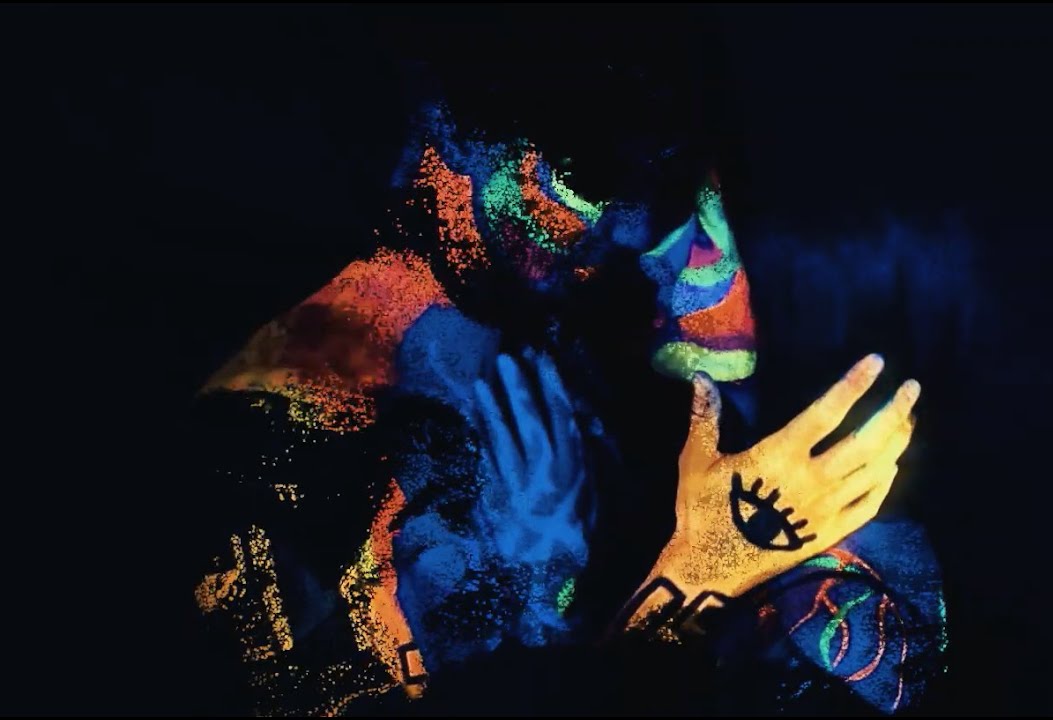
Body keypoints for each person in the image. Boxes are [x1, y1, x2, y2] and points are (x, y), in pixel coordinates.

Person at [190, 88, 946, 715]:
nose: (639, 233)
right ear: (452, 123)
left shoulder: (558, 318)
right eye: (596, 175)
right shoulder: (269, 457)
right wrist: (701, 572)